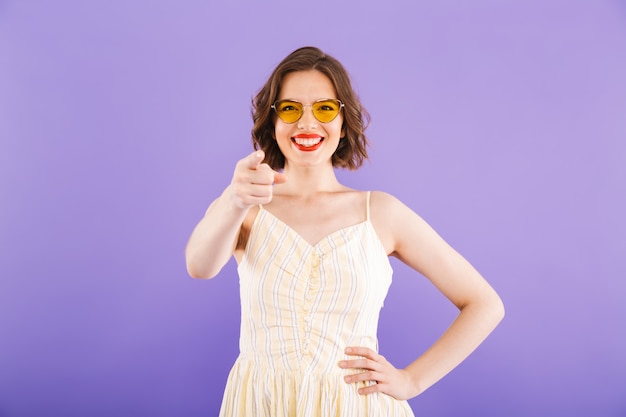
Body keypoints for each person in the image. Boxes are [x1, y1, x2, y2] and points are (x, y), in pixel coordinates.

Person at [185, 46, 505, 416]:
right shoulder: (244, 206)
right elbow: (200, 266)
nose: (306, 124)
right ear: (273, 121)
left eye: (324, 109)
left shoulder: (380, 212)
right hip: (262, 404)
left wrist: (411, 381)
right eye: (290, 108)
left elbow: (485, 304)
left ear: (343, 121)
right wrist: (233, 199)